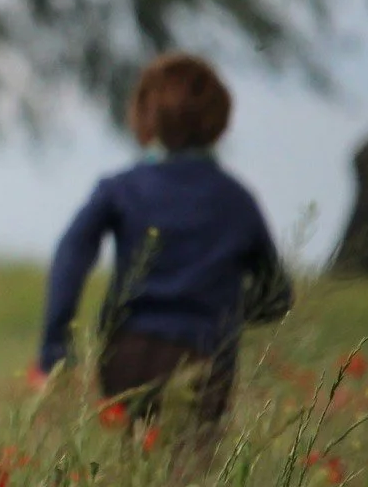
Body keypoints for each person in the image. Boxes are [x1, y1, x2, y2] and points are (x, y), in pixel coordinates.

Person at [35, 52, 292, 429]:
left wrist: (55, 349)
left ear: (145, 116)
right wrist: (224, 312)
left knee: (134, 468)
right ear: (218, 121)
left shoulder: (120, 189)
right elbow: (276, 295)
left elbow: (70, 257)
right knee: (189, 477)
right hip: (205, 356)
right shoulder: (237, 200)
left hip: (127, 354)